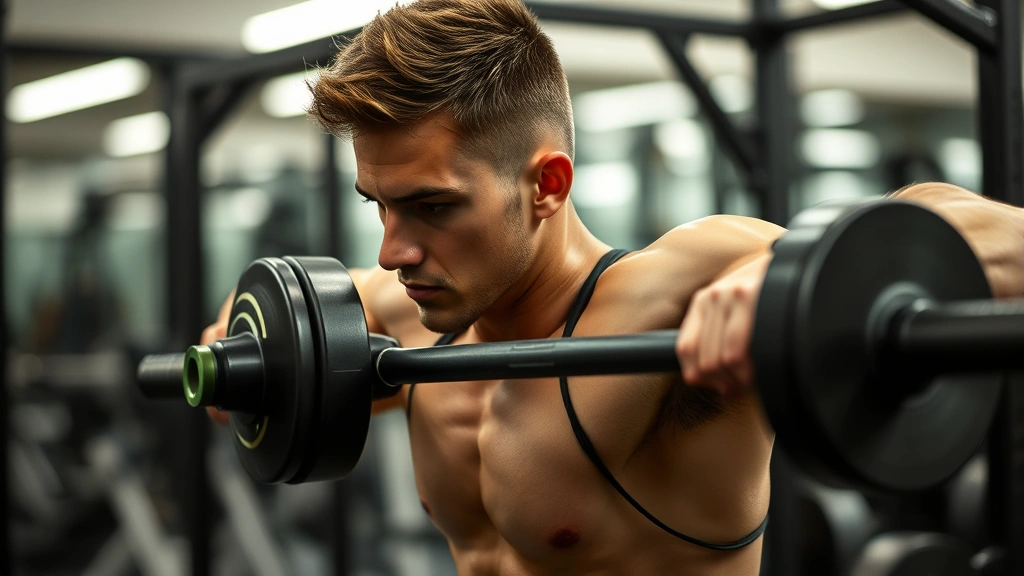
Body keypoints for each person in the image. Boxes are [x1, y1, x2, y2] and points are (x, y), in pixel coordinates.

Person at [202, 0, 1024, 573]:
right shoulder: (401, 316)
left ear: (547, 184)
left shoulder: (676, 293)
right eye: (378, 206)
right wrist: (239, 353)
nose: (393, 251)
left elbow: (992, 236)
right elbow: (277, 329)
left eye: (431, 207)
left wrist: (788, 278)